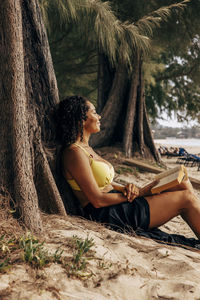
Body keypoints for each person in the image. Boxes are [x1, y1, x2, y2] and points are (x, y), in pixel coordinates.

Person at [55, 95, 200, 242]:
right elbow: (97, 200)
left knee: (182, 182)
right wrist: (138, 194)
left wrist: (125, 188)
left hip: (116, 201)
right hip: (108, 213)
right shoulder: (74, 153)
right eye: (94, 112)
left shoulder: (87, 148)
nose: (99, 116)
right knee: (186, 198)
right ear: (81, 119)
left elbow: (103, 184)